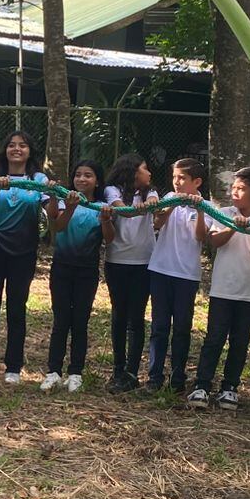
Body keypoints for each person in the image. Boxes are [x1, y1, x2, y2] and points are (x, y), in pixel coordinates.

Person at [188, 167, 250, 411]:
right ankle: (202, 385)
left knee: (240, 341)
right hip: (222, 289)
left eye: (241, 189)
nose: (235, 193)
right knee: (214, 338)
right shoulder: (224, 213)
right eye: (234, 188)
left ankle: (230, 388)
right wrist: (234, 226)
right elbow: (214, 241)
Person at [0, 131, 49, 383]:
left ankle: (13, 367)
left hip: (24, 251)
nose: (17, 149)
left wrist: (55, 194)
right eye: (12, 145)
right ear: (4, 150)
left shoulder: (38, 179)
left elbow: (51, 211)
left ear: (30, 151)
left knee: (17, 308)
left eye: (23, 145)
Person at [42, 159, 114, 393]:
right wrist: (70, 208)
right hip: (62, 268)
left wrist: (106, 221)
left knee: (80, 322)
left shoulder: (102, 206)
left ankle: (76, 372)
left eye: (88, 175)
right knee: (61, 320)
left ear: (97, 181)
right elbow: (58, 228)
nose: (82, 179)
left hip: (87, 272)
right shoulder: (65, 201)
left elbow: (110, 238)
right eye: (78, 175)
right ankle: (53, 371)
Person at [145, 158, 206, 394]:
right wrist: (172, 204)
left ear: (196, 181)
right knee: (159, 326)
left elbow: (201, 237)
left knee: (182, 327)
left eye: (182, 178)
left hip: (186, 275)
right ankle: (154, 376)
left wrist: (200, 210)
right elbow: (157, 223)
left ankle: (178, 376)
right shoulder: (168, 198)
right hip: (161, 270)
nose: (177, 182)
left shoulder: (205, 205)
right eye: (175, 177)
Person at [102, 154, 156, 394]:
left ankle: (132, 372)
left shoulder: (151, 192)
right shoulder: (112, 190)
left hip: (144, 263)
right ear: (134, 171)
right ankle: (118, 369)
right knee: (119, 316)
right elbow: (121, 211)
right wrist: (139, 209)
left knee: (137, 318)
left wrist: (150, 204)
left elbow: (155, 205)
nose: (149, 173)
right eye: (145, 169)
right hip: (117, 261)